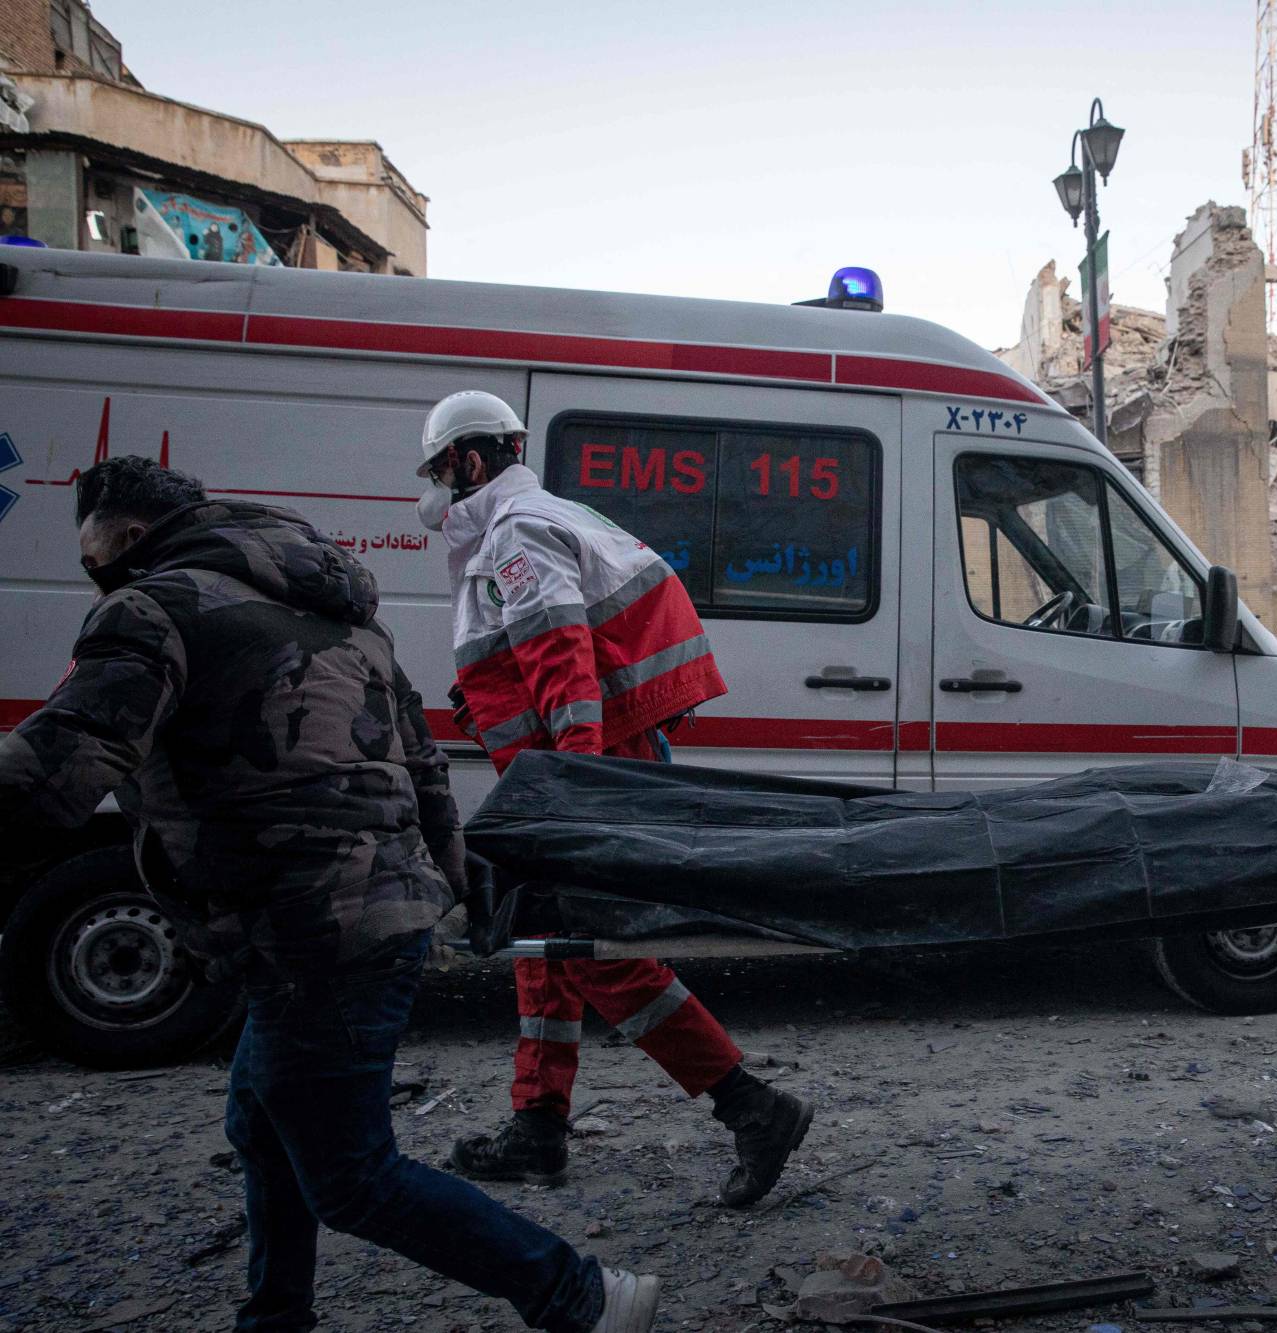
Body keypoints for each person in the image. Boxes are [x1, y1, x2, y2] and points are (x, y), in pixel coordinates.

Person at [0, 458, 655, 1332]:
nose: (93, 573)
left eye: (92, 555)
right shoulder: (346, 615)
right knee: (264, 1123)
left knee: (352, 1177)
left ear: (127, 535)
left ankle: (583, 1295)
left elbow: (63, 760)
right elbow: (425, 768)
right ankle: (276, 1316)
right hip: (364, 916)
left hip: (307, 928)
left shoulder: (150, 609)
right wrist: (454, 890)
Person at [416, 390, 812, 1208]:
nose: (435, 488)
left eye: (439, 470)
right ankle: (538, 1122)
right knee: (544, 941)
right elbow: (543, 654)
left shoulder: (516, 531)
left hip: (578, 765)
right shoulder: (538, 518)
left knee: (594, 952)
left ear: (470, 460)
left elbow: (562, 658)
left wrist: (578, 786)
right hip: (565, 763)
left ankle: (751, 1105)